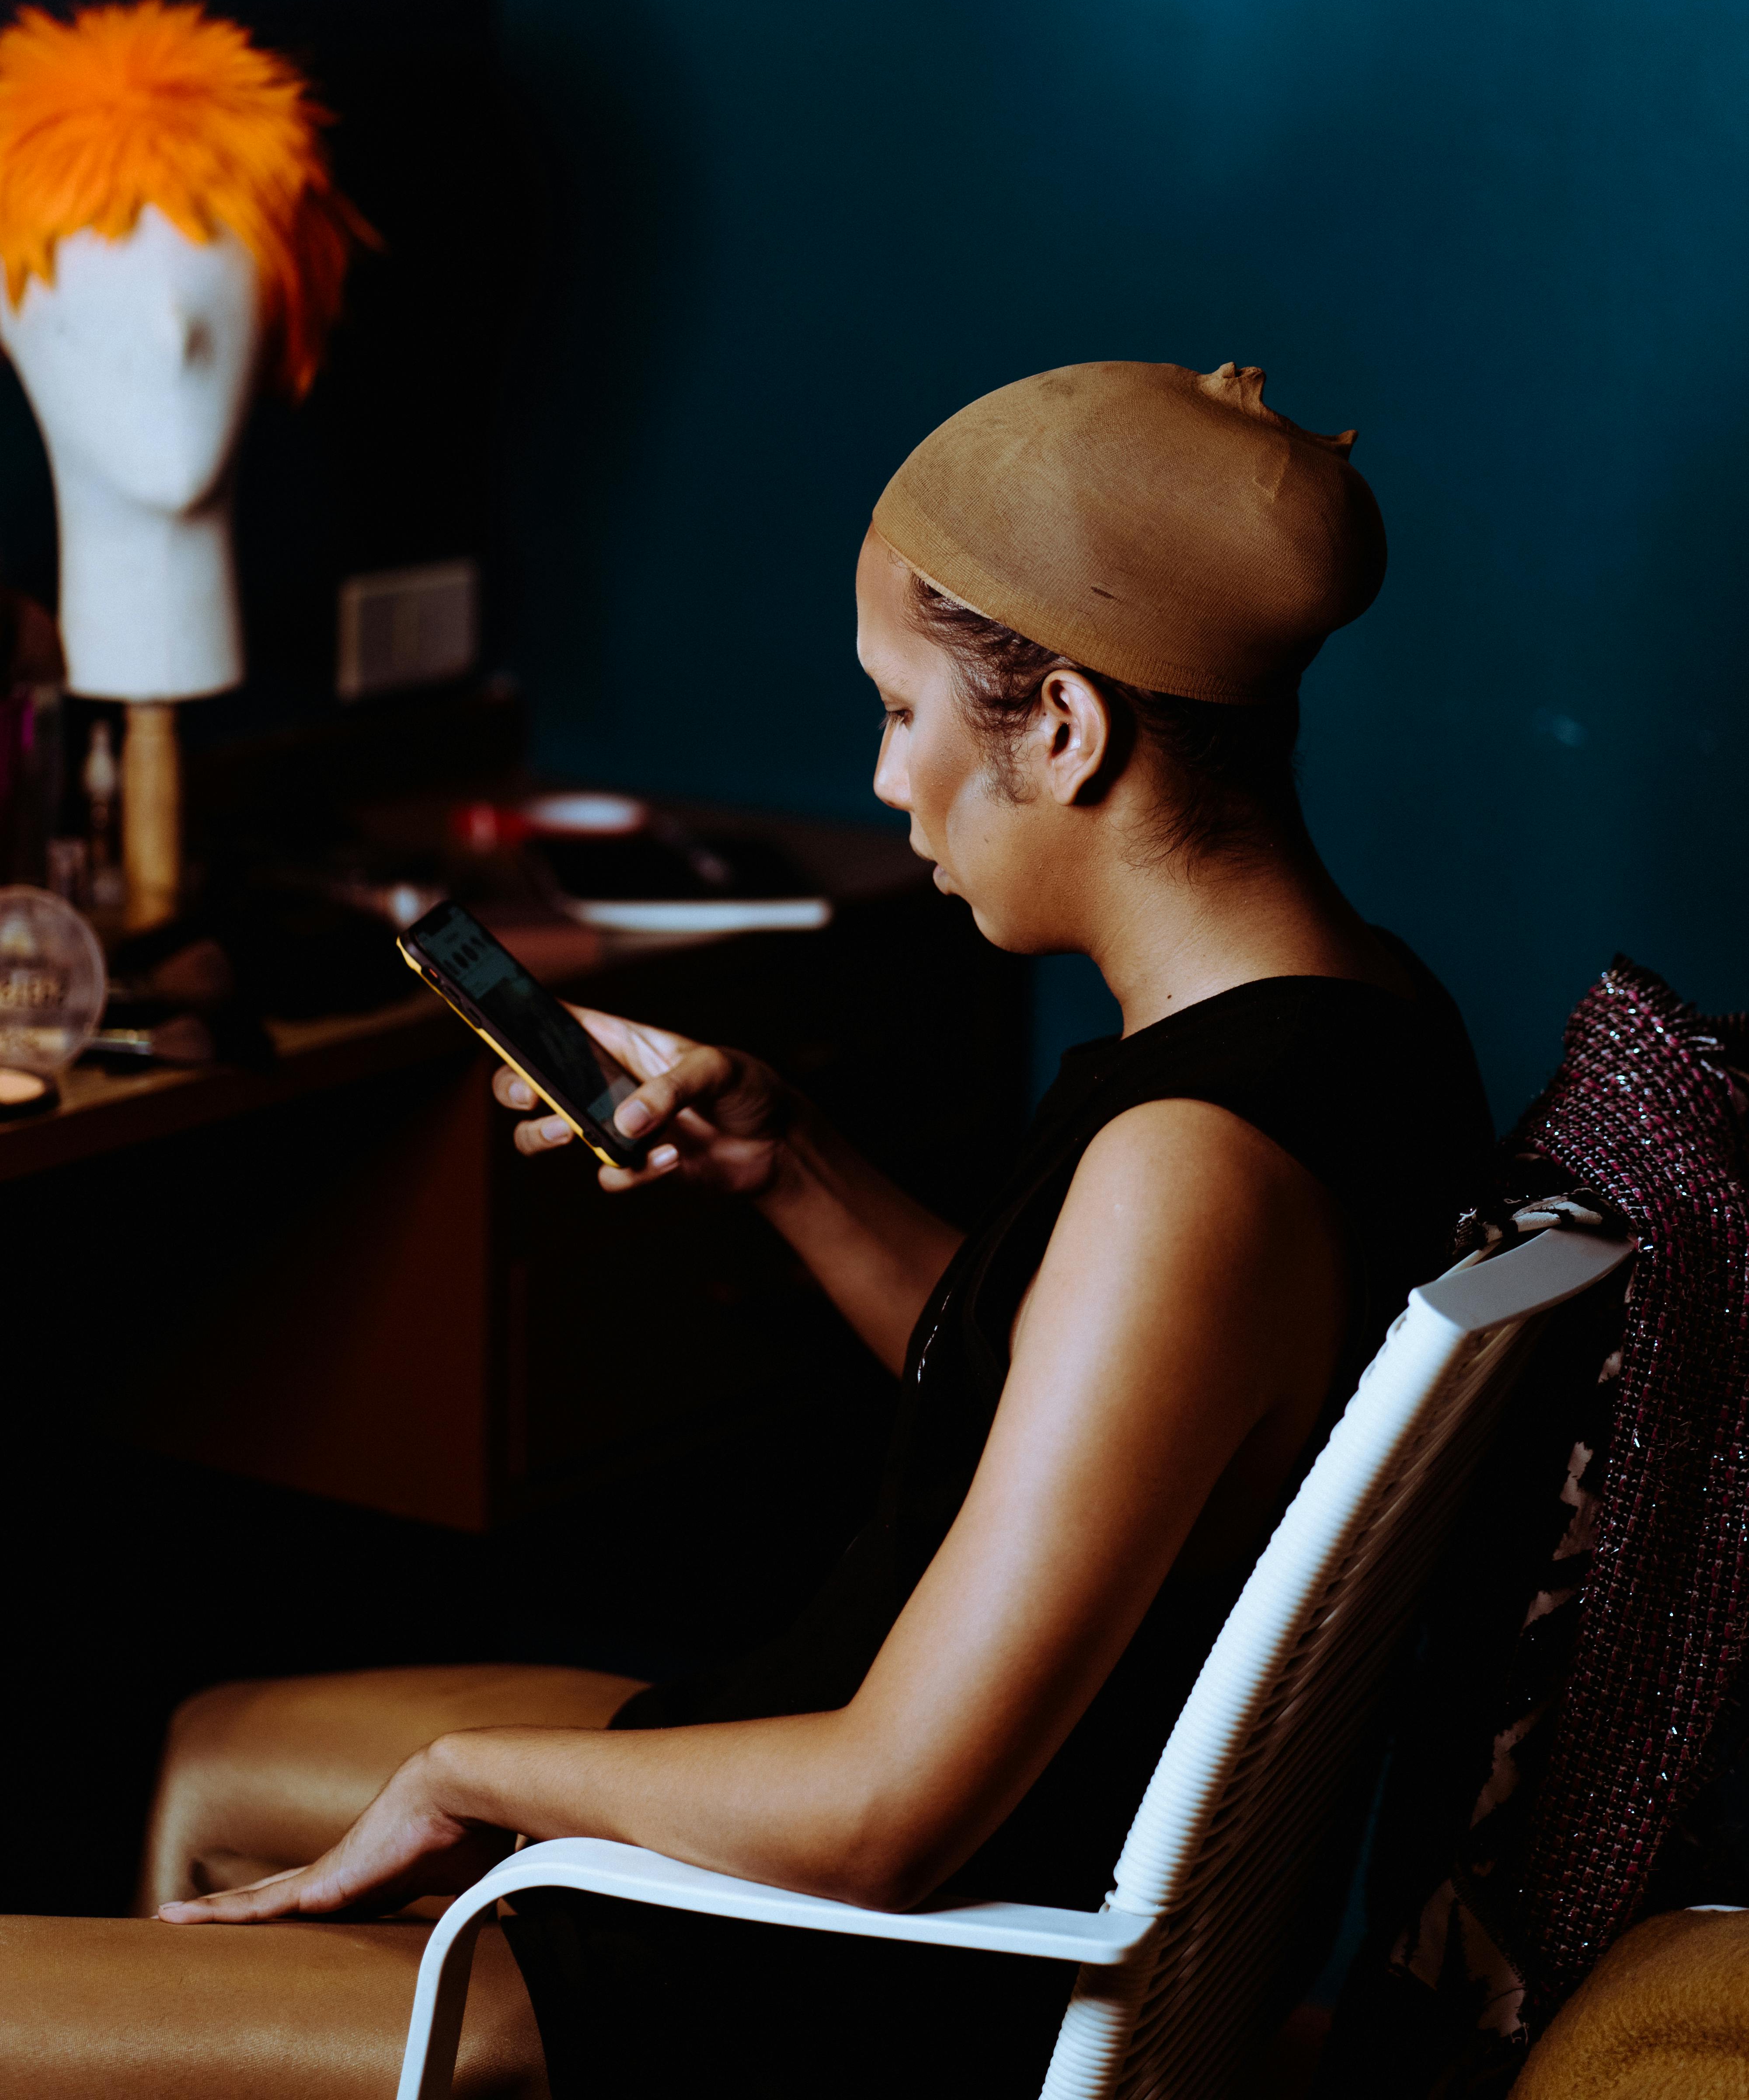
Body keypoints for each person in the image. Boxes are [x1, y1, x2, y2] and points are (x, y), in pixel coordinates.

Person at [0, 359, 1492, 2100]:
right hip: (900, 1811)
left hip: (838, 1972)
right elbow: (1111, 1416)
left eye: (902, 714)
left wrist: (481, 1778)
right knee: (219, 1748)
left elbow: (880, 1822)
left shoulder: (1192, 1174)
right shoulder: (1364, 1027)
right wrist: (792, 1166)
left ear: (1068, 730)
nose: (884, 781)